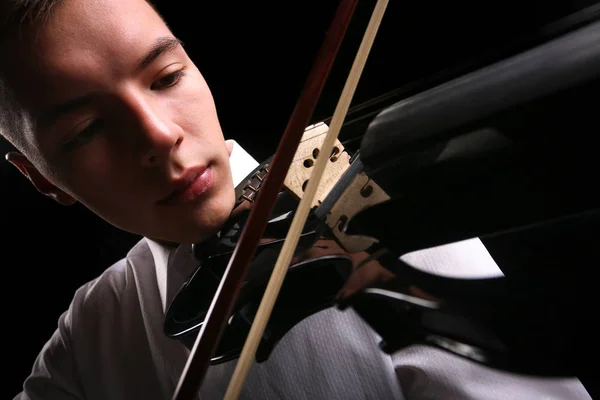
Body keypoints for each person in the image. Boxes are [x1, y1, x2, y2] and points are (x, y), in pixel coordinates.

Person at [0, 0, 592, 399]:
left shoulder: (370, 213)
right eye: (86, 131)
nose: (159, 135)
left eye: (166, 77)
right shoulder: (89, 336)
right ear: (42, 178)